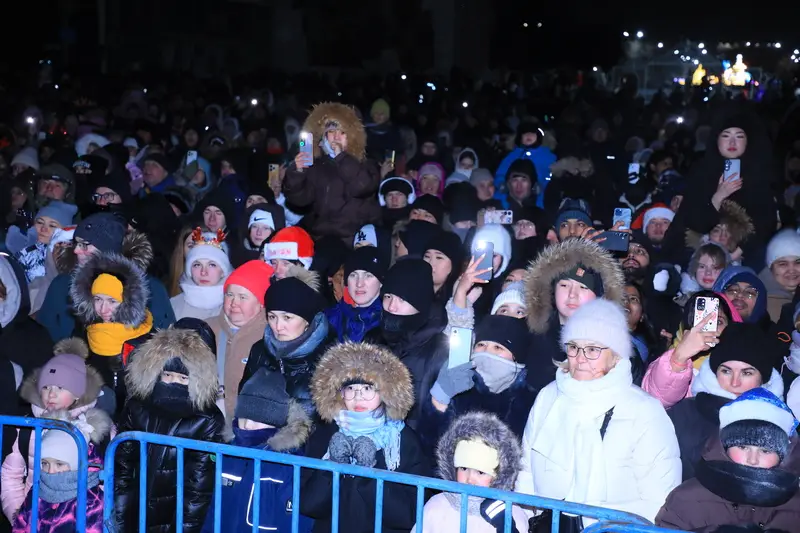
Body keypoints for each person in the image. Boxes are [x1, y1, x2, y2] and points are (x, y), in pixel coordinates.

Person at [516, 299, 681, 523]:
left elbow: (659, 499)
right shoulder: (548, 396)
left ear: (615, 355)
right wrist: (523, 520)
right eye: (574, 347)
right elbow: (526, 472)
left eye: (593, 349)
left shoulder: (644, 410)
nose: (581, 358)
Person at [301, 342, 431, 533]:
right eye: (351, 388)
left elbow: (407, 516)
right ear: (339, 393)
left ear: (386, 392)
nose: (358, 397)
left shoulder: (404, 441)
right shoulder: (326, 434)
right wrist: (330, 468)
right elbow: (308, 506)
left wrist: (369, 474)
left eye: (368, 388)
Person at [114, 326, 225, 533]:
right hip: (134, 512)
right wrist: (118, 515)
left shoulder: (207, 420)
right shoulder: (138, 407)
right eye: (168, 375)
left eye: (183, 379)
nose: (174, 383)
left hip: (173, 519)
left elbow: (198, 490)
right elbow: (122, 467)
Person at [1, 338, 113, 523]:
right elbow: (10, 476)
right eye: (46, 387)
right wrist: (20, 515)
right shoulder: (28, 428)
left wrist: (93, 519)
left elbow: (105, 481)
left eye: (60, 388)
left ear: (78, 393)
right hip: (34, 519)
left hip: (79, 520)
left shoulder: (96, 430)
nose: (51, 394)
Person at [656, 388, 800, 532]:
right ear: (724, 446)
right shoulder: (687, 499)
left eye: (765, 451)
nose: (753, 460)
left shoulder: (796, 505)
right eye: (743, 447)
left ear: (784, 455)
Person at [666, 322, 786, 481]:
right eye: (726, 371)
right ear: (715, 372)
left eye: (747, 373)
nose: (735, 382)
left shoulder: (780, 419)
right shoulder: (684, 413)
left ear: (763, 379)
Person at [200, 368, 314, 533]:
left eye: (258, 420)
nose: (247, 426)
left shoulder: (288, 464)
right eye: (244, 418)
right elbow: (213, 511)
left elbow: (294, 523)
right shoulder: (229, 454)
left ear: (275, 423)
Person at [419, 315, 535, 453]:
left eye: (498, 347)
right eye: (481, 345)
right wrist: (439, 398)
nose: (486, 351)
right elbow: (427, 446)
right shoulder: (457, 387)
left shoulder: (530, 402)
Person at [239, 270, 335, 419]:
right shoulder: (259, 351)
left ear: (307, 320)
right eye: (272, 317)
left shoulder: (330, 357)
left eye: (287, 317)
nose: (278, 326)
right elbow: (243, 403)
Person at [414, 412, 529, 533]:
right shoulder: (436, 506)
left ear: (499, 475)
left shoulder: (511, 515)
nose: (469, 479)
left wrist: (507, 527)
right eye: (463, 468)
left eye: (480, 472)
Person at [285, 102, 381, 244]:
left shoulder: (366, 163)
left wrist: (342, 158)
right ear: (323, 136)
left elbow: (362, 187)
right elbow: (300, 200)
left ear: (352, 136)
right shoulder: (316, 166)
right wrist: (297, 172)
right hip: (321, 237)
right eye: (331, 131)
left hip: (353, 238)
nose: (336, 137)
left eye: (342, 132)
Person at [70, 250, 154, 406]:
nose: (103, 309)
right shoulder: (82, 335)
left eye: (112, 301)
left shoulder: (148, 339)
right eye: (98, 299)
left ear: (127, 302)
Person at [205, 260, 273, 420]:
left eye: (243, 297)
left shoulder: (271, 336)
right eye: (229, 295)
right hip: (208, 426)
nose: (234, 303)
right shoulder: (206, 328)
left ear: (261, 303)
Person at [10, 424, 104, 533]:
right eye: (45, 463)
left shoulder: (92, 500)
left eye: (59, 464)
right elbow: (21, 526)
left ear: (76, 465)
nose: (50, 471)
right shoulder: (36, 490)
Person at [325, 246, 387, 342]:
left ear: (381, 282)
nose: (359, 283)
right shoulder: (329, 318)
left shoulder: (389, 324)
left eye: (368, 276)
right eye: (353, 275)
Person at [170, 229, 233, 320]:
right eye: (197, 265)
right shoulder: (173, 305)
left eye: (212, 265)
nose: (203, 272)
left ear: (223, 271)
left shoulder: (235, 307)